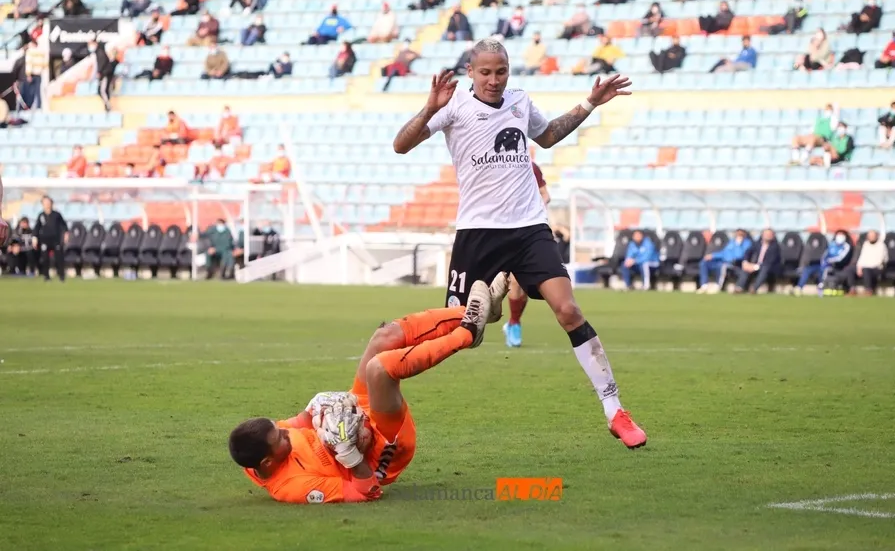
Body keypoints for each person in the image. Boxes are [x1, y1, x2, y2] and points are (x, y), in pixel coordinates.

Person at [391, 40, 647, 449]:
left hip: (529, 228)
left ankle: (614, 409)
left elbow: (546, 137)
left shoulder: (520, 101)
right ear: (471, 72)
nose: (494, 80)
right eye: (486, 72)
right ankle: (467, 323)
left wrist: (590, 104)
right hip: (478, 233)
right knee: (463, 329)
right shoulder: (453, 105)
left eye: (502, 71)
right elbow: (400, 145)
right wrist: (429, 108)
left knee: (568, 309)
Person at [229, 277, 505, 504]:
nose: (285, 432)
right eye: (280, 438)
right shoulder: (293, 487)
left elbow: (301, 421)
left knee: (383, 337)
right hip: (380, 453)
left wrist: (317, 406)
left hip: (356, 420)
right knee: (379, 369)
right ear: (267, 462)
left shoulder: (268, 443)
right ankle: (467, 333)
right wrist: (348, 454)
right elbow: (367, 491)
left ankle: (474, 313)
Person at [502, 160, 550, 348]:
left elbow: (546, 195)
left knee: (522, 281)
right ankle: (513, 323)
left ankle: (514, 322)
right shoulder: (496, 164)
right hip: (501, 228)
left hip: (529, 228)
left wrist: (535, 207)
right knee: (511, 280)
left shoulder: (531, 166)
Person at [794, 230, 852, 294]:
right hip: (823, 264)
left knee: (824, 271)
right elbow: (825, 255)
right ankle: (799, 288)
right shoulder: (832, 244)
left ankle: (822, 288)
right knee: (807, 269)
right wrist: (824, 261)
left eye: (841, 235)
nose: (840, 237)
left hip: (836, 266)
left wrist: (829, 261)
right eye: (839, 235)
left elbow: (841, 258)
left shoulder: (846, 246)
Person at [33, 195, 68, 282]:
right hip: (45, 240)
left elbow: (64, 226)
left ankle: (61, 276)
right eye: (45, 203)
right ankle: (46, 276)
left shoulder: (57, 215)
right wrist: (35, 238)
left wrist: (66, 235)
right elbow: (37, 228)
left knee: (59, 258)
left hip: (56, 240)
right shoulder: (41, 215)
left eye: (48, 202)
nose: (47, 204)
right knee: (45, 259)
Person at [735, 229, 781, 293]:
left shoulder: (775, 247)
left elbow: (770, 262)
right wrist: (745, 262)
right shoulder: (756, 244)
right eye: (766, 234)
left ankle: (754, 288)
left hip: (769, 268)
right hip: (756, 265)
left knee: (765, 269)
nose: (767, 236)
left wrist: (755, 267)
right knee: (746, 268)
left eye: (769, 234)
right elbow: (748, 253)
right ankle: (739, 287)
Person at [841, 230, 886, 295]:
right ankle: (852, 289)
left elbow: (879, 261)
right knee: (850, 269)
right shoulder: (866, 244)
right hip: (864, 267)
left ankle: (868, 290)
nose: (871, 237)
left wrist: (864, 266)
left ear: (876, 236)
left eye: (872, 236)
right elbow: (862, 258)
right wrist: (859, 267)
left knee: (866, 270)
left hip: (876, 268)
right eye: (869, 236)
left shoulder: (881, 245)